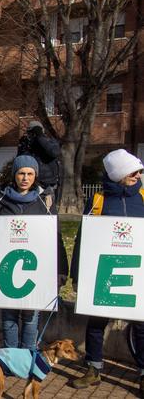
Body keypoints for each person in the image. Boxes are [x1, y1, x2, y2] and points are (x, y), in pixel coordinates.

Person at [69, 149, 144, 393]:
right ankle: (93, 369)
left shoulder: (143, 196)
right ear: (118, 173)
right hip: (105, 273)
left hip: (136, 273)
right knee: (96, 322)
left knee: (142, 326)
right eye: (134, 171)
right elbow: (84, 238)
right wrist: (77, 275)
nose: (139, 175)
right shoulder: (98, 200)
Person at [0, 155, 68, 351]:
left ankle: (28, 354)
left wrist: (61, 270)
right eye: (21, 173)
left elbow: (56, 236)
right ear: (14, 175)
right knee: (9, 316)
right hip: (7, 268)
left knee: (31, 316)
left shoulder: (45, 200)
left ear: (35, 175)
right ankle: (11, 355)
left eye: (30, 173)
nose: (25, 178)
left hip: (33, 269)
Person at [17, 120, 62, 193]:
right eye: (30, 133)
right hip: (31, 182)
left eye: (33, 132)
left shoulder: (49, 141)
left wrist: (40, 137)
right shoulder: (28, 145)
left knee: (46, 203)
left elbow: (54, 152)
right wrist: (22, 147)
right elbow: (21, 162)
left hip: (47, 184)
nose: (31, 135)